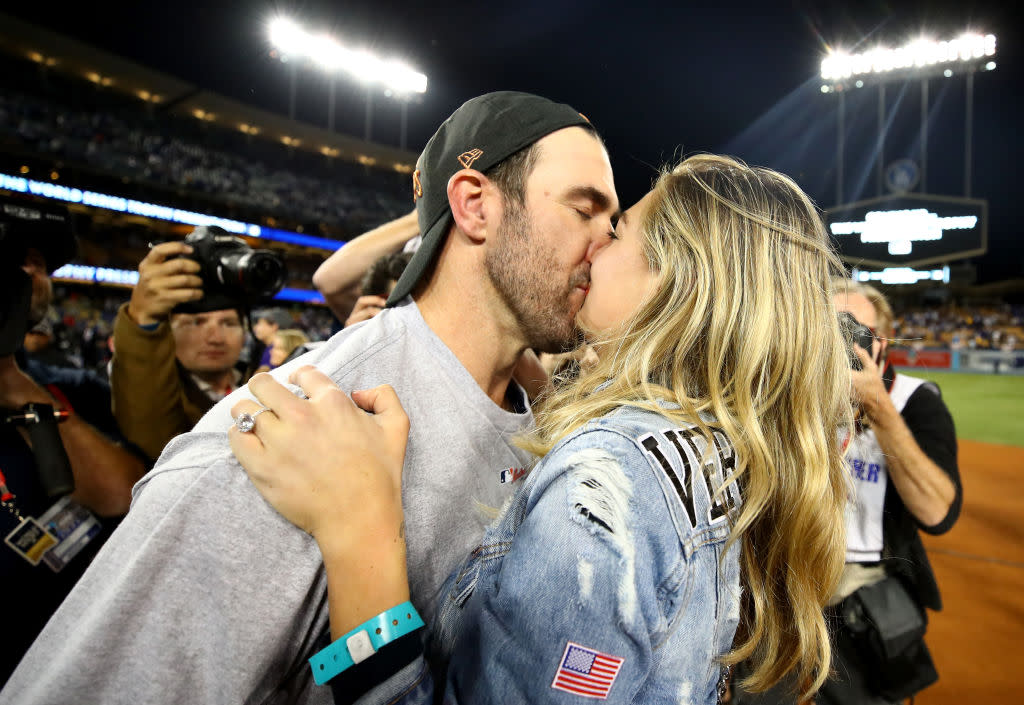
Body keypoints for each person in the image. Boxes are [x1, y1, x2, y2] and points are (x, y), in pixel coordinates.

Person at [1, 91, 620, 704]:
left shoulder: (542, 417)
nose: (608, 242)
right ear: (475, 206)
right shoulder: (297, 426)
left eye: (613, 221)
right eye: (584, 209)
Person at [229, 154, 854, 704]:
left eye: (619, 230)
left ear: (674, 282)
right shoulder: (709, 439)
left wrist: (359, 531)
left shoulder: (606, 482)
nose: (595, 244)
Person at [734, 279, 962, 705]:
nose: (842, 343)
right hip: (785, 585)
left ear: (883, 344)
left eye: (857, 332)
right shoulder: (784, 395)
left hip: (862, 594)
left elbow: (938, 514)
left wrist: (879, 408)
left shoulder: (914, 400)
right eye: (831, 328)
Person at [0, 200, 148, 686]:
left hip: (80, 665)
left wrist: (12, 382)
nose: (20, 274)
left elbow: (127, 500)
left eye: (34, 262)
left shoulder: (73, 388)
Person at [108, 242, 249, 461]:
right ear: (169, 334)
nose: (215, 338)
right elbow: (154, 440)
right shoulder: (159, 394)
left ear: (246, 334)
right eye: (195, 323)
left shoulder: (269, 379)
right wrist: (143, 319)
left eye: (228, 323)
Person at [253, 308, 296, 373]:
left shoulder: (273, 353)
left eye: (260, 323)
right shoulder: (267, 348)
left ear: (274, 326)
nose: (255, 328)